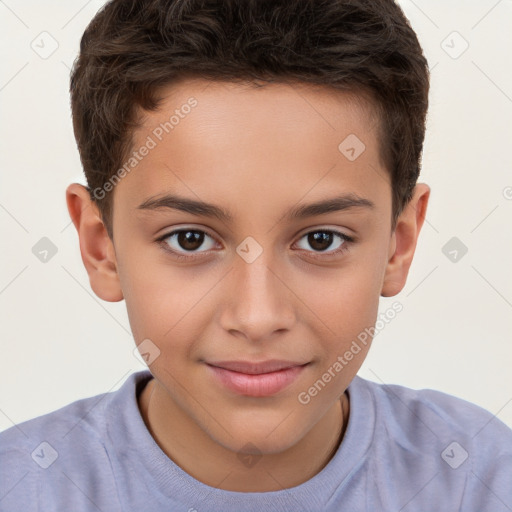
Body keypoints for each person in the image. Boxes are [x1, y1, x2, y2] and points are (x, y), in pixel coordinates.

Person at [1, 0, 511, 510]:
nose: (258, 317)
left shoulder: (480, 479)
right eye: (190, 239)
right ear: (101, 247)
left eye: (321, 240)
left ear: (399, 243)